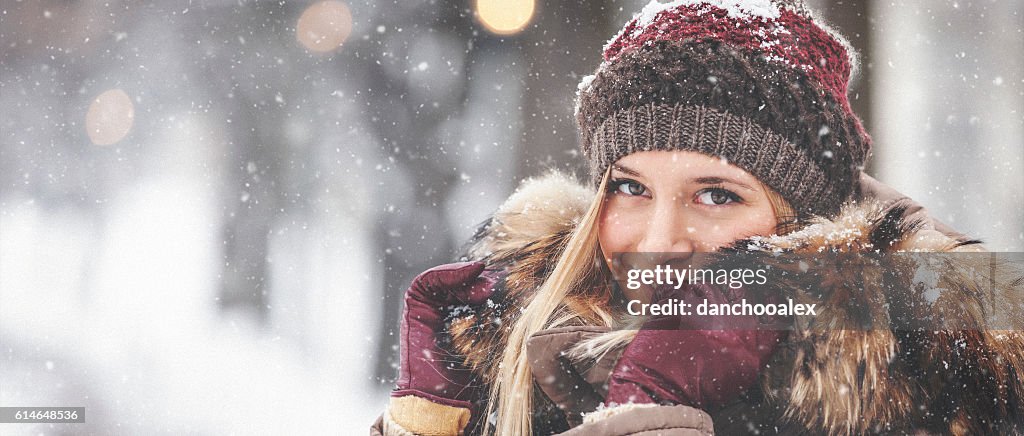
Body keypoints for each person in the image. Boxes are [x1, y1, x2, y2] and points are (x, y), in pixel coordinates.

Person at [371, 1, 1024, 434]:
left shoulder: (929, 393)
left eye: (717, 195)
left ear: (808, 224)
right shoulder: (519, 348)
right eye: (628, 187)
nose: (658, 240)